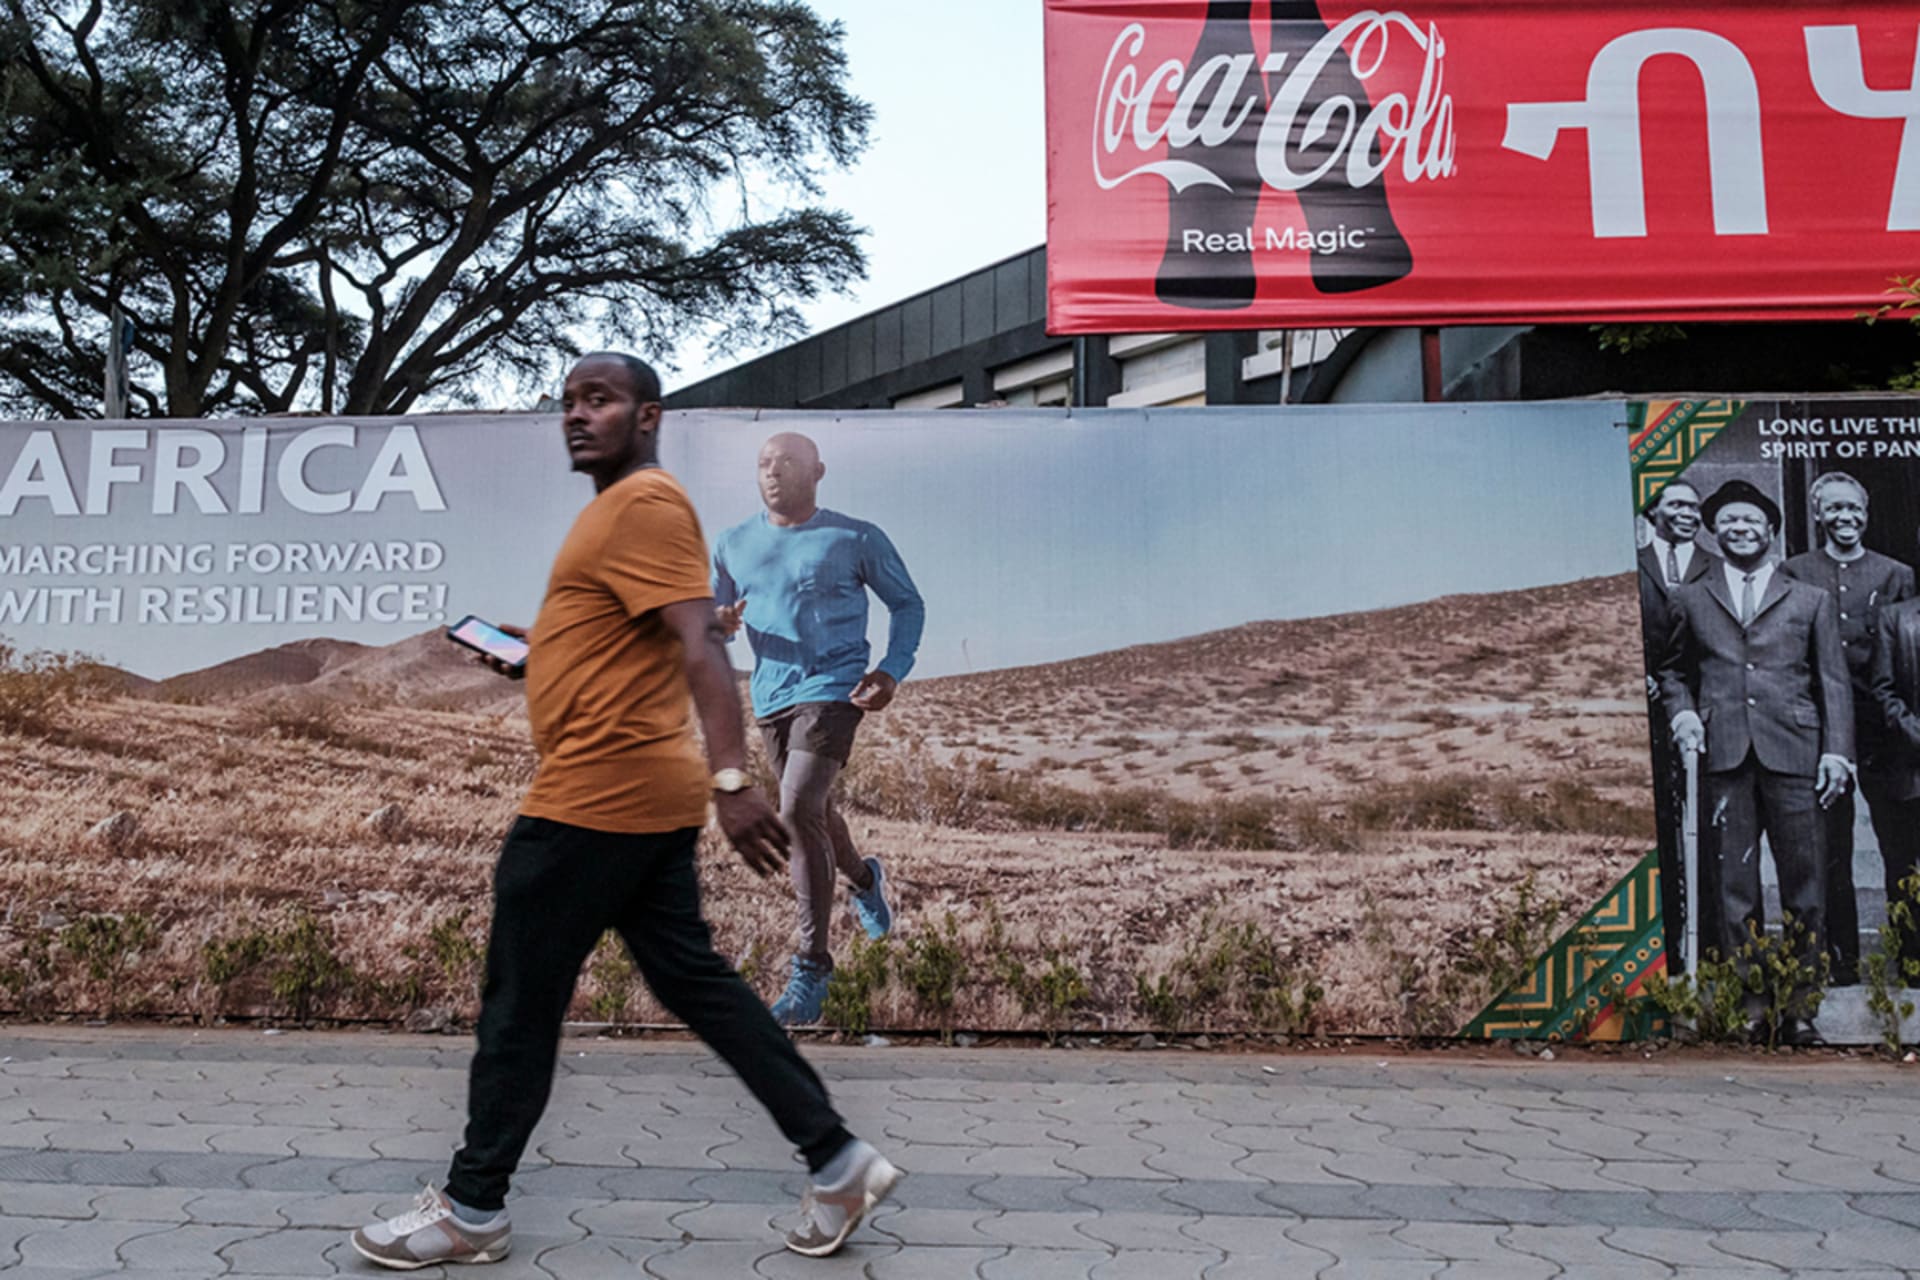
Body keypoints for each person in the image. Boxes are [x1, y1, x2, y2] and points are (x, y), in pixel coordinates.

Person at [350, 355, 898, 1269]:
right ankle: (838, 1161)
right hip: (637, 804)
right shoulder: (613, 516)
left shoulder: (643, 505)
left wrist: (733, 781)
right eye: (566, 401)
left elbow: (699, 647)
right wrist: (527, 655)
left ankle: (473, 1207)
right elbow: (630, 643)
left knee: (518, 1008)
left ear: (648, 416)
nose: (576, 415)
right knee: (704, 991)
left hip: (589, 803)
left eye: (597, 400)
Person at [711, 432, 925, 1026]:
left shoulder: (855, 536)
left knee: (797, 804)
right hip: (770, 698)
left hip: (836, 689)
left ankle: (811, 965)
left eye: (786, 462)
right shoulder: (732, 543)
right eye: (763, 463)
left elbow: (907, 604)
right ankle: (863, 877)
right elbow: (712, 618)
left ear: (818, 471)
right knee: (815, 813)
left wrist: (890, 670)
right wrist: (721, 621)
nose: (773, 471)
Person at [1658, 478, 1853, 1046]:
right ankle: (1748, 1004)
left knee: (1805, 885)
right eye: (1730, 522)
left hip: (1795, 751)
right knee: (1734, 886)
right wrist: (1683, 713)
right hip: (1724, 755)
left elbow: (1832, 680)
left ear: (1771, 530)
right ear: (1716, 533)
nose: (1741, 529)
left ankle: (1799, 1008)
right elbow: (1675, 669)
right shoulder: (1692, 597)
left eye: (1752, 521)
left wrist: (1837, 751)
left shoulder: (1810, 597)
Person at [1781, 471, 1915, 985]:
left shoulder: (1895, 573)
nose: (1845, 518)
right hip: (1820, 728)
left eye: (1853, 509)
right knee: (1830, 850)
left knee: (1899, 849)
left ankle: (1911, 960)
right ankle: (1841, 963)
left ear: (1866, 513)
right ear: (1818, 514)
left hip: (1884, 730)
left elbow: (1904, 657)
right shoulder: (1796, 571)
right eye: (1833, 508)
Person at [1634, 478, 1718, 968]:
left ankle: (1706, 947)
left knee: (1705, 831)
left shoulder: (1717, 566)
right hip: (1645, 715)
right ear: (1654, 512)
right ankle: (1664, 948)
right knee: (1661, 833)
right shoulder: (1632, 565)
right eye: (1678, 505)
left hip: (1701, 714)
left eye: (1694, 506)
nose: (1689, 513)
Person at [1868, 586, 1920, 986]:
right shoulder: (1896, 617)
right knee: (1905, 869)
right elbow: (1882, 689)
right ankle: (1913, 963)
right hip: (1909, 767)